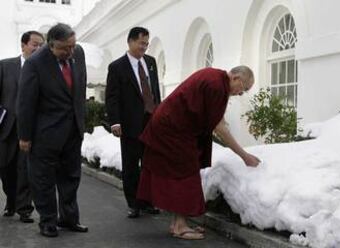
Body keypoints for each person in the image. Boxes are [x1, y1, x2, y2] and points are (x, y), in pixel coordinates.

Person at [137, 66, 260, 240]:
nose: (241, 94)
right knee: (186, 174)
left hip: (169, 125)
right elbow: (219, 128)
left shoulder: (216, 78)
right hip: (171, 129)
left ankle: (176, 224)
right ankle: (180, 226)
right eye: (244, 89)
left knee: (183, 172)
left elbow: (216, 115)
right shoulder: (217, 86)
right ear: (237, 78)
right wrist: (244, 156)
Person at [17, 23, 88, 237]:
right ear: (51, 45)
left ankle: (69, 218)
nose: (70, 51)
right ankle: (48, 221)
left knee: (71, 178)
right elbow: (26, 102)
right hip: (44, 134)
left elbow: (79, 89)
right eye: (64, 48)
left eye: (72, 46)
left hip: (73, 131)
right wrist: (25, 136)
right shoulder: (35, 63)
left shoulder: (78, 53)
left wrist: (81, 122)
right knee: (43, 180)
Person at [105, 27, 161, 218]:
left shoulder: (151, 62)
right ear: (129, 42)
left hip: (151, 122)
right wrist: (115, 122)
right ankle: (134, 204)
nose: (144, 47)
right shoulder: (117, 67)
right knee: (131, 165)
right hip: (129, 124)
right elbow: (112, 97)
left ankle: (148, 202)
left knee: (150, 164)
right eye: (141, 43)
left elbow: (155, 92)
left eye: (146, 43)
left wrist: (159, 115)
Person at [0, 31, 44, 223]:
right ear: (23, 45)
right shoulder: (5, 66)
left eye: (41, 45)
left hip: (31, 129)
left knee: (25, 169)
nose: (38, 48)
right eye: (35, 44)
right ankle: (11, 199)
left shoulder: (44, 69)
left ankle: (24, 208)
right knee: (6, 169)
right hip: (6, 128)